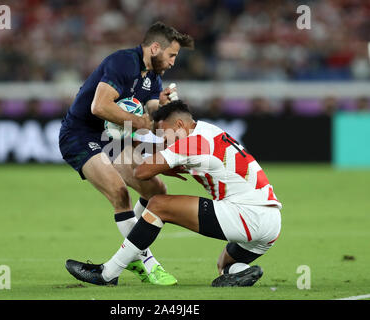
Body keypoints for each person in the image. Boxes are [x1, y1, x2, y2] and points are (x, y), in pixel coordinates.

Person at [65, 100, 282, 287]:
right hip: (271, 223)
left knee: (159, 205)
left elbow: (141, 172)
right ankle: (242, 271)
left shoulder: (191, 142)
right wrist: (168, 163)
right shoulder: (209, 130)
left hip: (247, 215)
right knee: (225, 265)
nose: (164, 142)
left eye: (164, 136)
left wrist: (139, 144)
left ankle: (107, 273)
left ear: (179, 125)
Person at [59, 22, 194, 285]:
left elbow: (152, 116)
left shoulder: (153, 78)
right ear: (155, 48)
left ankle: (131, 251)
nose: (173, 63)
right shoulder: (123, 62)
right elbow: (99, 107)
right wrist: (141, 123)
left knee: (156, 191)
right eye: (171, 55)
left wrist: (164, 106)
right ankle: (145, 262)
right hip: (81, 135)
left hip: (115, 138)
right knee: (119, 192)